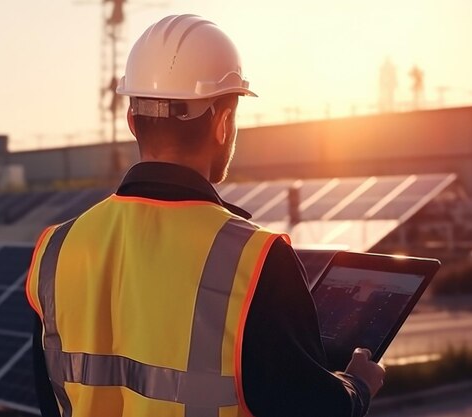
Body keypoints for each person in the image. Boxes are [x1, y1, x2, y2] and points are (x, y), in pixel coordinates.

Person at [26, 14, 385, 417]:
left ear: (131, 121)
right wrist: (357, 387)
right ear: (224, 123)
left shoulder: (56, 252)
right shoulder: (255, 259)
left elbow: (51, 396)